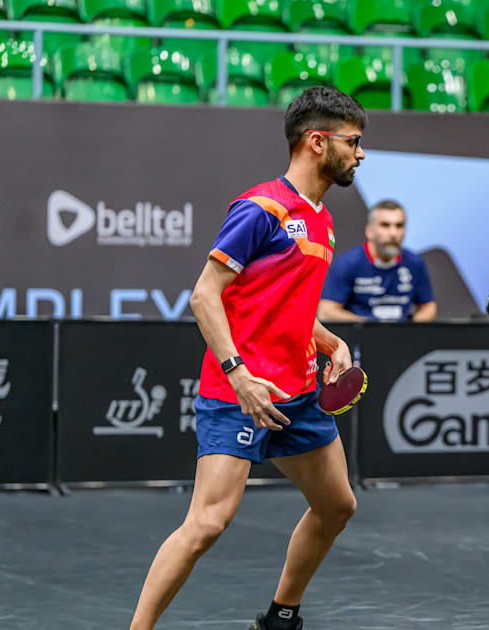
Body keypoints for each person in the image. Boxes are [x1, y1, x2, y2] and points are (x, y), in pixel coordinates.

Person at [128, 86, 366, 630]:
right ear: (316, 141)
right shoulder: (261, 209)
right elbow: (204, 295)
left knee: (337, 506)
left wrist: (332, 343)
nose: (360, 154)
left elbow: (288, 307)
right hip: (239, 392)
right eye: (352, 142)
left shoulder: (322, 220)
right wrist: (239, 376)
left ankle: (281, 616)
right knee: (208, 523)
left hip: (298, 394)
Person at [317, 200, 437, 322]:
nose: (393, 233)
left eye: (399, 226)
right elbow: (326, 311)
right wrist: (371, 328)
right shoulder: (348, 263)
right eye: (385, 225)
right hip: (360, 337)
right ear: (369, 231)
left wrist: (409, 330)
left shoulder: (414, 262)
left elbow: (429, 307)